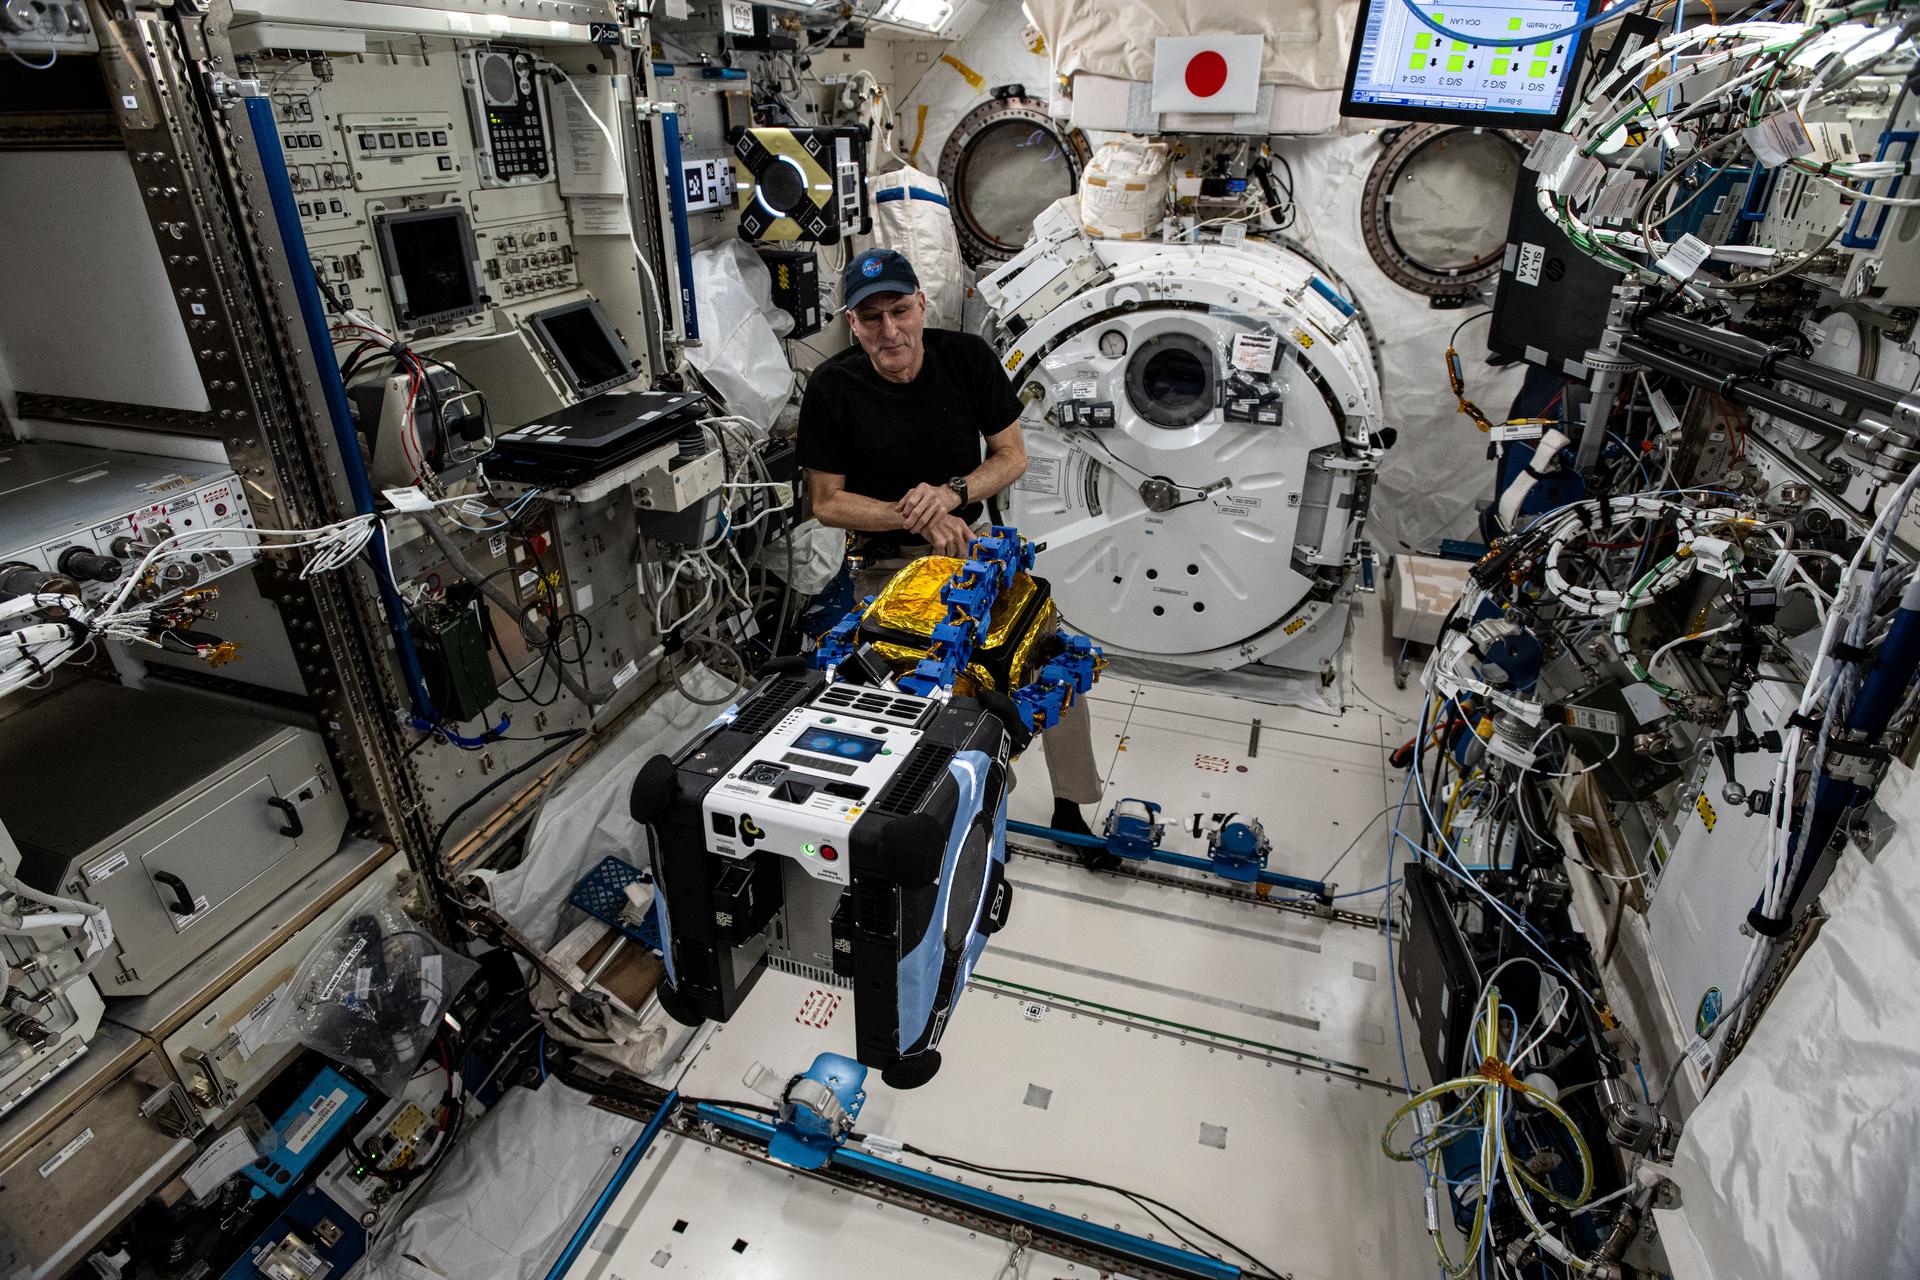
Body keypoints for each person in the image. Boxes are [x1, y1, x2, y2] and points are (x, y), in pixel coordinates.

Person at [797, 247, 1109, 852]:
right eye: (871, 318)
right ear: (852, 323)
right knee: (938, 690)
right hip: (887, 564)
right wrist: (910, 515)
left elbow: (1012, 456)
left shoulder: (966, 359)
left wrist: (950, 495)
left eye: (899, 311)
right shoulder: (833, 387)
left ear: (921, 304)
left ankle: (1071, 804)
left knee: (1048, 656)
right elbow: (827, 502)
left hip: (974, 550)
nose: (890, 331)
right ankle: (974, 805)